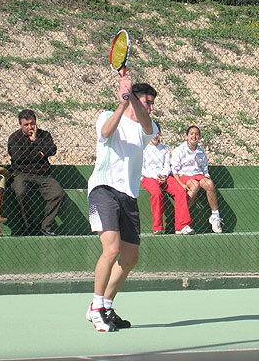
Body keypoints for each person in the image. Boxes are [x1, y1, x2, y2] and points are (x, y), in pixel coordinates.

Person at [85, 78, 157, 332]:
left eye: (151, 103)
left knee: (130, 258)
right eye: (147, 102)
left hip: (129, 196)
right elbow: (105, 133)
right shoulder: (106, 115)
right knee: (112, 248)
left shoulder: (147, 127)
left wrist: (134, 103)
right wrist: (123, 102)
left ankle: (105, 305)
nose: (150, 107)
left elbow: (148, 126)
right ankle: (95, 308)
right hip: (103, 189)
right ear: (136, 99)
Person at [7, 109, 65, 236]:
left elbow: (52, 149)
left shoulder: (44, 135)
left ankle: (45, 226)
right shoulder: (14, 138)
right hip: (21, 173)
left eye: (32, 124)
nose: (30, 127)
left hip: (43, 174)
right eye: (26, 125)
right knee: (20, 191)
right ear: (20, 125)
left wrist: (35, 141)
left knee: (57, 193)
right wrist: (40, 154)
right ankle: (29, 227)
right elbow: (18, 157)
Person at [141, 123, 194, 235]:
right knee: (157, 193)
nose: (155, 136)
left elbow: (167, 165)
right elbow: (141, 168)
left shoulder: (164, 148)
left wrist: (164, 175)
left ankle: (182, 226)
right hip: (148, 177)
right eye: (153, 133)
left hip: (164, 176)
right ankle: (158, 227)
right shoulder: (142, 148)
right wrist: (156, 176)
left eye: (157, 133)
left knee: (180, 191)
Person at [171, 125, 223, 234]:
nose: (194, 136)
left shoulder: (201, 152)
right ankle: (182, 216)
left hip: (198, 175)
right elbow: (174, 171)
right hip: (185, 175)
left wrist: (206, 176)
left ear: (199, 137)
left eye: (196, 134)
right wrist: (181, 184)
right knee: (194, 185)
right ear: (186, 136)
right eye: (191, 134)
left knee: (209, 184)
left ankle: (215, 216)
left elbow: (204, 170)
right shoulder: (179, 150)